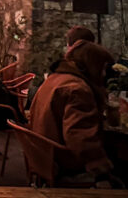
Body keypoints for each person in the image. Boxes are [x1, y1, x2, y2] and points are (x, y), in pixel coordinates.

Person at [27, 39, 119, 187]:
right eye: (102, 68)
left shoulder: (54, 79)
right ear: (93, 65)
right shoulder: (77, 89)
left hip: (44, 157)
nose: (103, 74)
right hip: (65, 163)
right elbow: (79, 135)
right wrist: (101, 169)